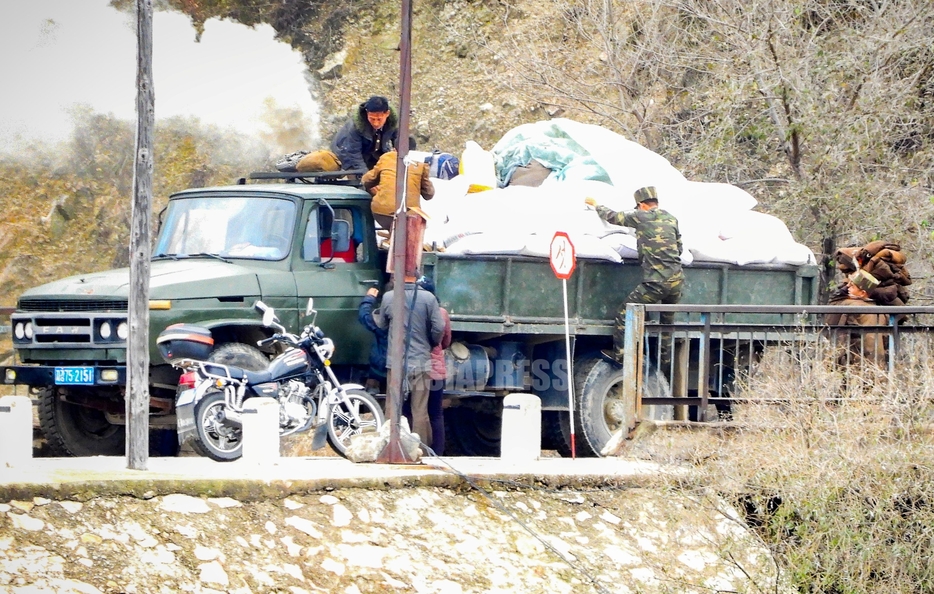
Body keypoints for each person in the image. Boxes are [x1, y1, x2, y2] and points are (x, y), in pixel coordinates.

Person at [585, 186, 683, 365]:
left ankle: (621, 356)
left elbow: (613, 217)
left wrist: (596, 205)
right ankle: (664, 361)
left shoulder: (640, 216)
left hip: (656, 282)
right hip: (677, 281)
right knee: (667, 324)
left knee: (625, 312)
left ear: (641, 205)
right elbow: (680, 247)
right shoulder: (671, 218)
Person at [374, 273, 445, 448]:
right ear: (416, 277)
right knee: (420, 410)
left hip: (396, 362)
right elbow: (439, 327)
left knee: (393, 408)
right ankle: (419, 450)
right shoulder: (429, 298)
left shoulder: (389, 297)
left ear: (397, 277)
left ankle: (391, 447)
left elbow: (381, 325)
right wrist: (432, 342)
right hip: (421, 361)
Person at [362, 139, 435, 230]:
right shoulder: (420, 164)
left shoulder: (386, 158)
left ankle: (388, 239)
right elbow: (429, 194)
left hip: (382, 213)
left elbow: (367, 180)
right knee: (404, 232)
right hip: (409, 216)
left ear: (394, 148)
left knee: (392, 227)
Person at [419, 277, 452, 456]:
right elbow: (446, 340)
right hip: (438, 371)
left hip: (418, 368)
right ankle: (438, 452)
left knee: (414, 410)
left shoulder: (414, 310)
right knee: (436, 414)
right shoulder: (442, 313)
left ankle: (419, 448)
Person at [330, 95, 399, 172]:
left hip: (373, 153)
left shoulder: (392, 122)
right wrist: (365, 175)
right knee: (359, 179)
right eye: (372, 119)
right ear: (367, 113)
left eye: (379, 119)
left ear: (387, 114)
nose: (376, 123)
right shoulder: (356, 126)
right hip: (347, 153)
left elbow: (399, 139)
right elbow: (354, 153)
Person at [358, 285, 390, 394]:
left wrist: (369, 298)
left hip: (379, 366)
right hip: (401, 365)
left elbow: (364, 316)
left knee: (373, 393)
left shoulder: (380, 319)